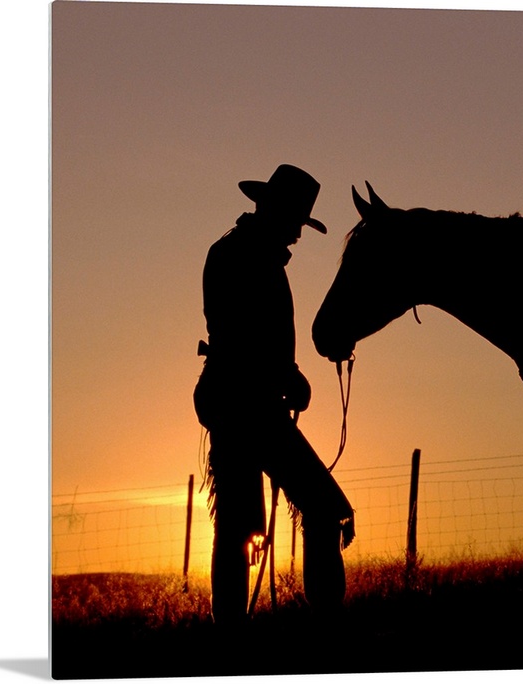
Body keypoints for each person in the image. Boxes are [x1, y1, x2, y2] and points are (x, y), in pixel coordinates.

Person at [193, 164, 355, 625]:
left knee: (240, 524)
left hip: (241, 403)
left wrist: (288, 374)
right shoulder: (243, 257)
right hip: (243, 406)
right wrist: (288, 377)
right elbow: (240, 336)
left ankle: (234, 631)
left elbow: (250, 336)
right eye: (296, 222)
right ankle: (320, 624)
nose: (298, 235)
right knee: (314, 509)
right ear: (273, 211)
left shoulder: (240, 253)